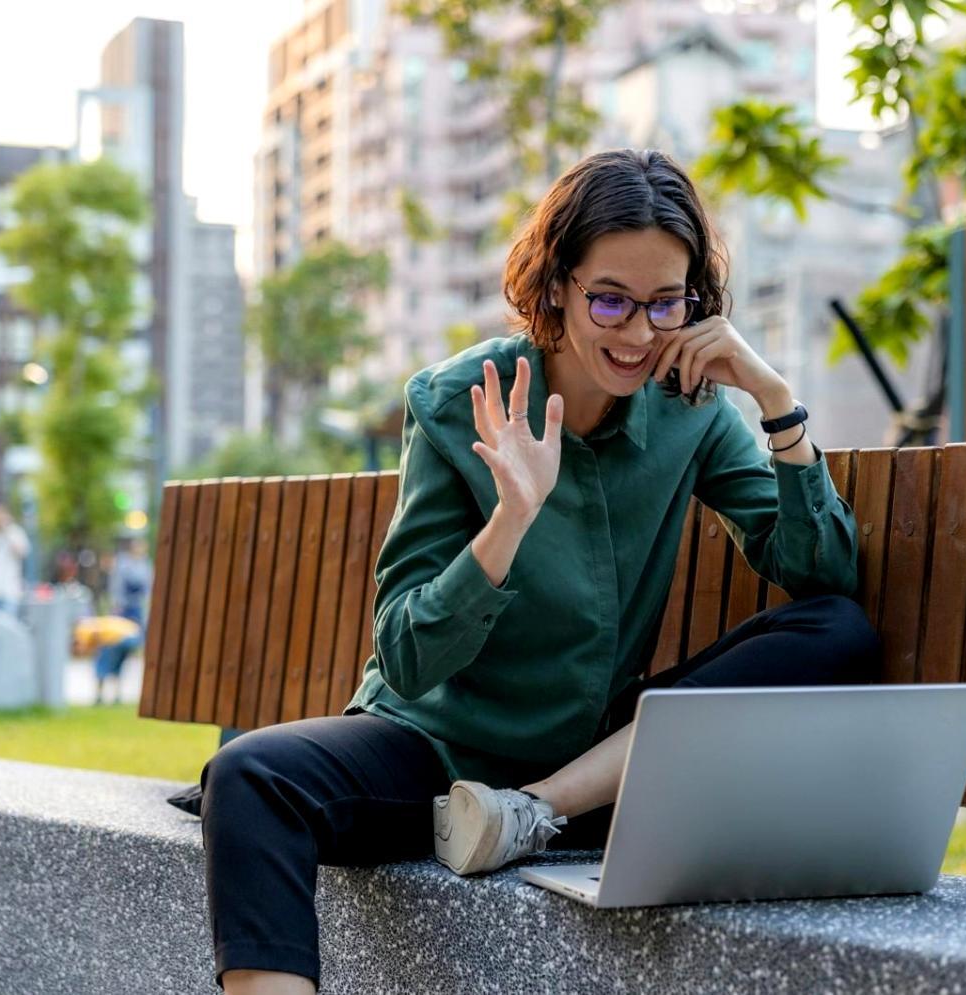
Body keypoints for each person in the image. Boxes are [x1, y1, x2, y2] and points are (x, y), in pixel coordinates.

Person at [199, 149, 880, 995]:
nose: (637, 333)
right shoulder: (457, 401)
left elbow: (823, 576)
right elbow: (408, 657)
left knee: (836, 632)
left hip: (587, 767)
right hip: (438, 754)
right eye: (610, 300)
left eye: (665, 303)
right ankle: (521, 810)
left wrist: (774, 398)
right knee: (248, 777)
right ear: (557, 283)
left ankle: (536, 808)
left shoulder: (690, 408)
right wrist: (508, 520)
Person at [92, 538, 152, 705]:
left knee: (123, 655)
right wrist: (116, 609)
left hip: (135, 613)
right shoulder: (123, 565)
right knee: (108, 650)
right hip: (121, 613)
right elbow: (116, 590)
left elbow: (147, 590)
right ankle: (100, 691)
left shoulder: (144, 565)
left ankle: (117, 692)